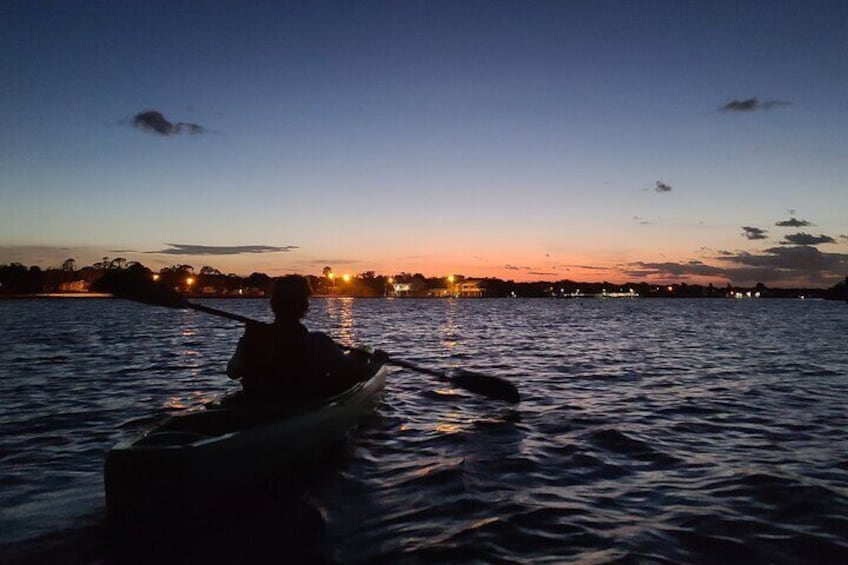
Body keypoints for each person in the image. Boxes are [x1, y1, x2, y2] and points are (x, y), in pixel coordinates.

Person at [226, 275, 387, 402]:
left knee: (352, 359)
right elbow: (352, 376)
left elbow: (232, 372)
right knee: (350, 369)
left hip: (256, 403)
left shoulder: (252, 337)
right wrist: (376, 364)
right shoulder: (318, 342)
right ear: (305, 306)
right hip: (296, 405)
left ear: (273, 304)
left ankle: (356, 357)